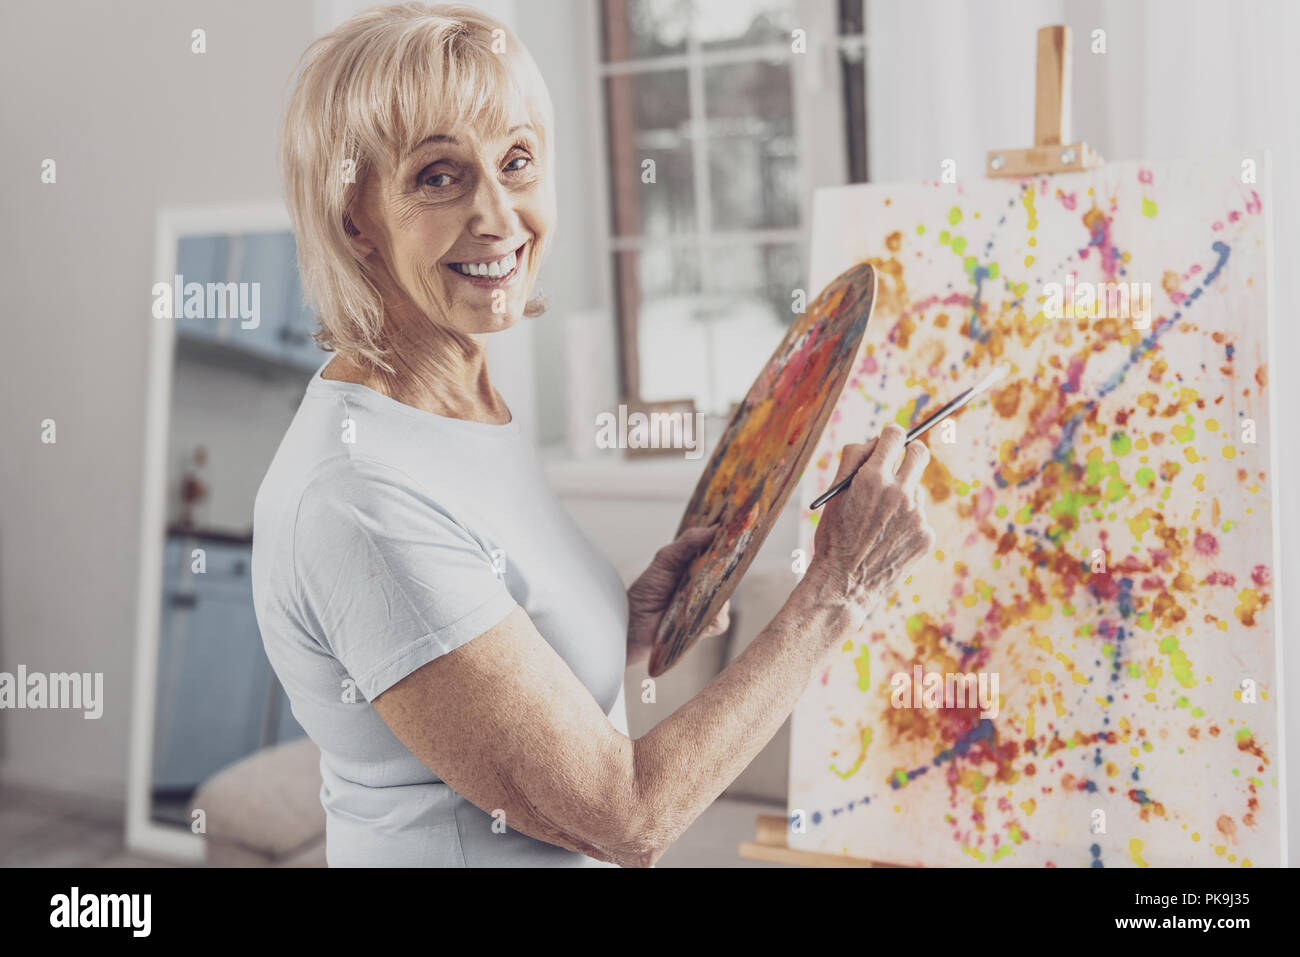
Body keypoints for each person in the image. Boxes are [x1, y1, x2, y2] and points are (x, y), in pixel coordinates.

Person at [252, 2, 935, 867]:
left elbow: (487, 664)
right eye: (438, 176)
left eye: (517, 161)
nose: (498, 215)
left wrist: (630, 616)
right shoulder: (357, 495)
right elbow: (623, 815)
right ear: (355, 216)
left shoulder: (464, 406)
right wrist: (839, 590)